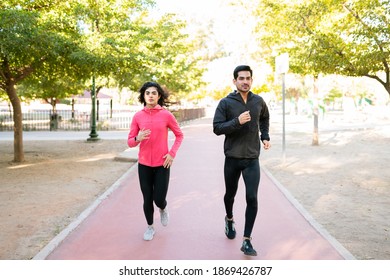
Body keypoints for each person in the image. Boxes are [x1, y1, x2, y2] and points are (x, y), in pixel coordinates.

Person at [213, 65, 271, 256]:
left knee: (252, 197)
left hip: (252, 158)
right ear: (235, 81)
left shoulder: (258, 101)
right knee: (230, 195)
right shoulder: (226, 103)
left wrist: (265, 136)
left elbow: (264, 119)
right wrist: (237, 121)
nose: (245, 81)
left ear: (251, 80)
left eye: (248, 78)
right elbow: (217, 128)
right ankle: (229, 218)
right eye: (241, 78)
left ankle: (247, 240)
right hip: (232, 158)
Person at [128, 81, 184, 241]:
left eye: (154, 93)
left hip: (162, 164)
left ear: (159, 96)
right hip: (144, 164)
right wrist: (137, 138)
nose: (151, 95)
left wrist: (171, 153)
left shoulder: (166, 115)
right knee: (147, 198)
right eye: (147, 93)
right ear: (143, 96)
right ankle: (150, 227)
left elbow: (179, 135)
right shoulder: (138, 116)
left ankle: (163, 208)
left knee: (158, 198)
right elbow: (130, 142)